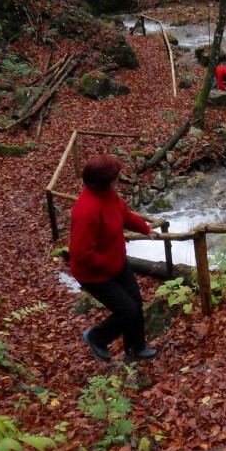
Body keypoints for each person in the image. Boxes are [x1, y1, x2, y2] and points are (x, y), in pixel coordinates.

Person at [69, 155, 159, 362]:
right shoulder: (86, 210)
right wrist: (108, 265)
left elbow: (125, 215)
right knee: (126, 310)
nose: (119, 178)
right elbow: (81, 254)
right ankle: (96, 338)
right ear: (105, 180)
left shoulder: (109, 196)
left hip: (116, 263)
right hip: (94, 273)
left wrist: (146, 229)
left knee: (135, 303)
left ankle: (136, 348)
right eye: (116, 176)